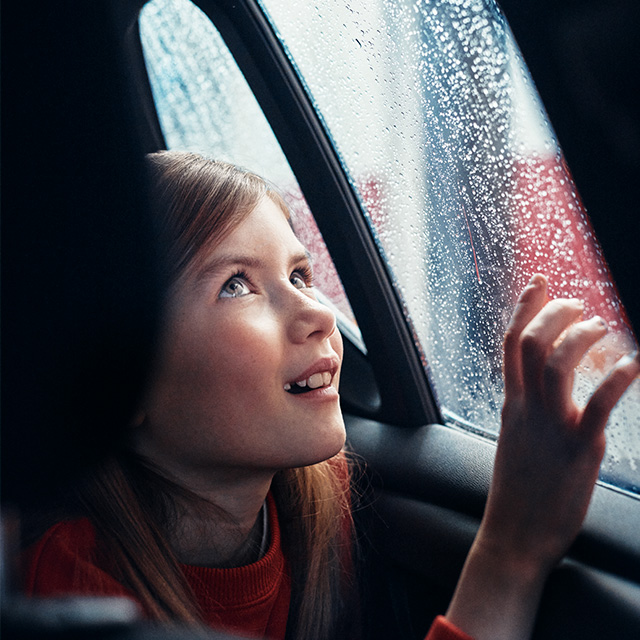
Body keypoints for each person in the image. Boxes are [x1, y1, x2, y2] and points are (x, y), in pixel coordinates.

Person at [22, 150, 640, 640]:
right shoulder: (75, 591)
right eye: (236, 285)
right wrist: (510, 549)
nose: (319, 313)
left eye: (299, 274)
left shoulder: (322, 507)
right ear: (121, 381)